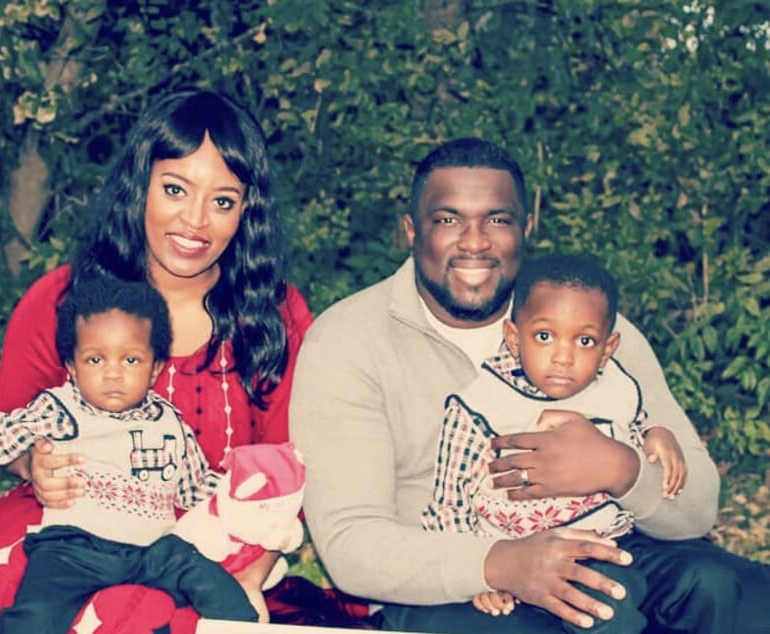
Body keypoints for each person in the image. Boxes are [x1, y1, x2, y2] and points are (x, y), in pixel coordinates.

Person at [0, 88, 314, 634]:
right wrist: (36, 465)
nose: (195, 221)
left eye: (223, 200)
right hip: (61, 528)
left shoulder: (274, 315)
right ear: (140, 186)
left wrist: (251, 575)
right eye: (175, 189)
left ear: (247, 212)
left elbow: (289, 471)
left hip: (190, 548)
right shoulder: (64, 299)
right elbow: (8, 426)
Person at [290, 137, 770, 634]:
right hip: (455, 584)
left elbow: (697, 510)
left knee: (737, 594)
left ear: (526, 229)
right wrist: (501, 563)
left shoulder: (589, 327)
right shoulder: (350, 339)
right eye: (448, 219)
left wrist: (623, 470)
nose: (474, 241)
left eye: (497, 219)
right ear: (411, 230)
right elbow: (351, 545)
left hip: (613, 546)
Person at [0, 275, 261, 631]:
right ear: (71, 368)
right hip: (74, 548)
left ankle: (244, 628)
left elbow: (194, 484)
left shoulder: (169, 422)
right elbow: (3, 433)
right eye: (95, 360)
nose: (113, 373)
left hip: (152, 550)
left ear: (155, 368)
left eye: (131, 360)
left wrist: (245, 497)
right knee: (36, 613)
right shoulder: (63, 408)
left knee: (214, 584)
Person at [423, 253, 686, 632]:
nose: (563, 357)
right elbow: (449, 505)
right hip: (513, 556)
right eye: (544, 336)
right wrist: (478, 574)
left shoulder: (614, 388)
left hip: (608, 546)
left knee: (701, 586)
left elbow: (634, 432)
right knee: (608, 613)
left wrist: (657, 436)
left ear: (607, 348)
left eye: (584, 340)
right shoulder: (478, 407)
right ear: (514, 337)